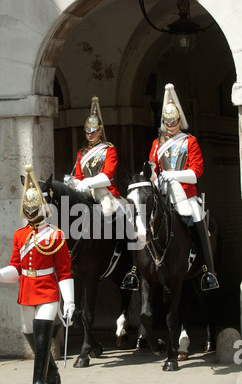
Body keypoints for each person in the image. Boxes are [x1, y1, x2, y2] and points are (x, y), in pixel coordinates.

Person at [0, 164, 75, 384]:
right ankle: (52, 373)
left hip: (47, 288)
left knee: (42, 332)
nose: (31, 212)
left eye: (34, 208)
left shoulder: (56, 235)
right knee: (30, 334)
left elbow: (64, 271)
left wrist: (70, 300)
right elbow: (16, 266)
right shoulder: (19, 235)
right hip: (26, 288)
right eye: (28, 208)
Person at [149, 83, 219, 291]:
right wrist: (154, 177)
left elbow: (196, 172)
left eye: (174, 121)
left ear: (180, 120)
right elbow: (152, 169)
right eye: (167, 121)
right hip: (162, 193)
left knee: (196, 216)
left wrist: (172, 175)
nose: (170, 125)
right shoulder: (156, 144)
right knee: (141, 218)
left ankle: (208, 271)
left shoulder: (190, 142)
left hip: (185, 194)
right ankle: (136, 270)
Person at [65, 96, 139, 291]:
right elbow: (79, 175)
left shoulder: (109, 149)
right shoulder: (82, 152)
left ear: (100, 131)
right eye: (87, 131)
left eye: (93, 131)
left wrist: (86, 182)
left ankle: (130, 265)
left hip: (105, 192)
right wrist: (75, 183)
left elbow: (107, 176)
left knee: (112, 213)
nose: (90, 134)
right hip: (86, 193)